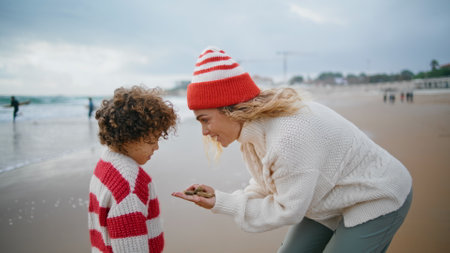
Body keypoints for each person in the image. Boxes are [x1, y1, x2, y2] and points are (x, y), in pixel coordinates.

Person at [172, 47, 413, 253]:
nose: (204, 131)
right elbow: (268, 185)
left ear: (230, 108)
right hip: (327, 195)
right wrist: (219, 200)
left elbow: (287, 210)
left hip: (375, 193)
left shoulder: (289, 137)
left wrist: (225, 204)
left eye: (205, 119)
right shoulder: (252, 132)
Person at [89, 85, 177, 253]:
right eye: (152, 141)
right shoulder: (129, 184)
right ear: (130, 137)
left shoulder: (105, 163)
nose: (156, 147)